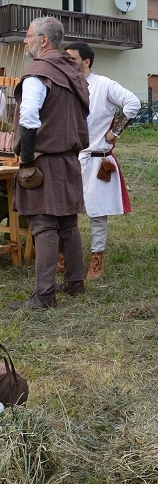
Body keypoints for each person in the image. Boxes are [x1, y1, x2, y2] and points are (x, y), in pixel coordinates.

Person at [10, 17, 89, 308]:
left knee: (43, 225)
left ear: (44, 40)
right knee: (67, 222)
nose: (25, 41)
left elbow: (29, 115)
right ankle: (74, 283)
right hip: (69, 158)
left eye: (29, 36)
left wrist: (28, 157)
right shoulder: (73, 71)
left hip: (44, 161)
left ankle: (44, 295)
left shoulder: (39, 71)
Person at [64, 42, 140, 280]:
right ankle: (65, 256)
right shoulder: (65, 86)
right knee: (66, 211)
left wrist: (115, 132)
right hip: (71, 159)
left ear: (86, 62)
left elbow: (133, 103)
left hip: (97, 159)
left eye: (73, 60)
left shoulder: (104, 85)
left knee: (96, 214)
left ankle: (96, 261)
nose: (68, 64)